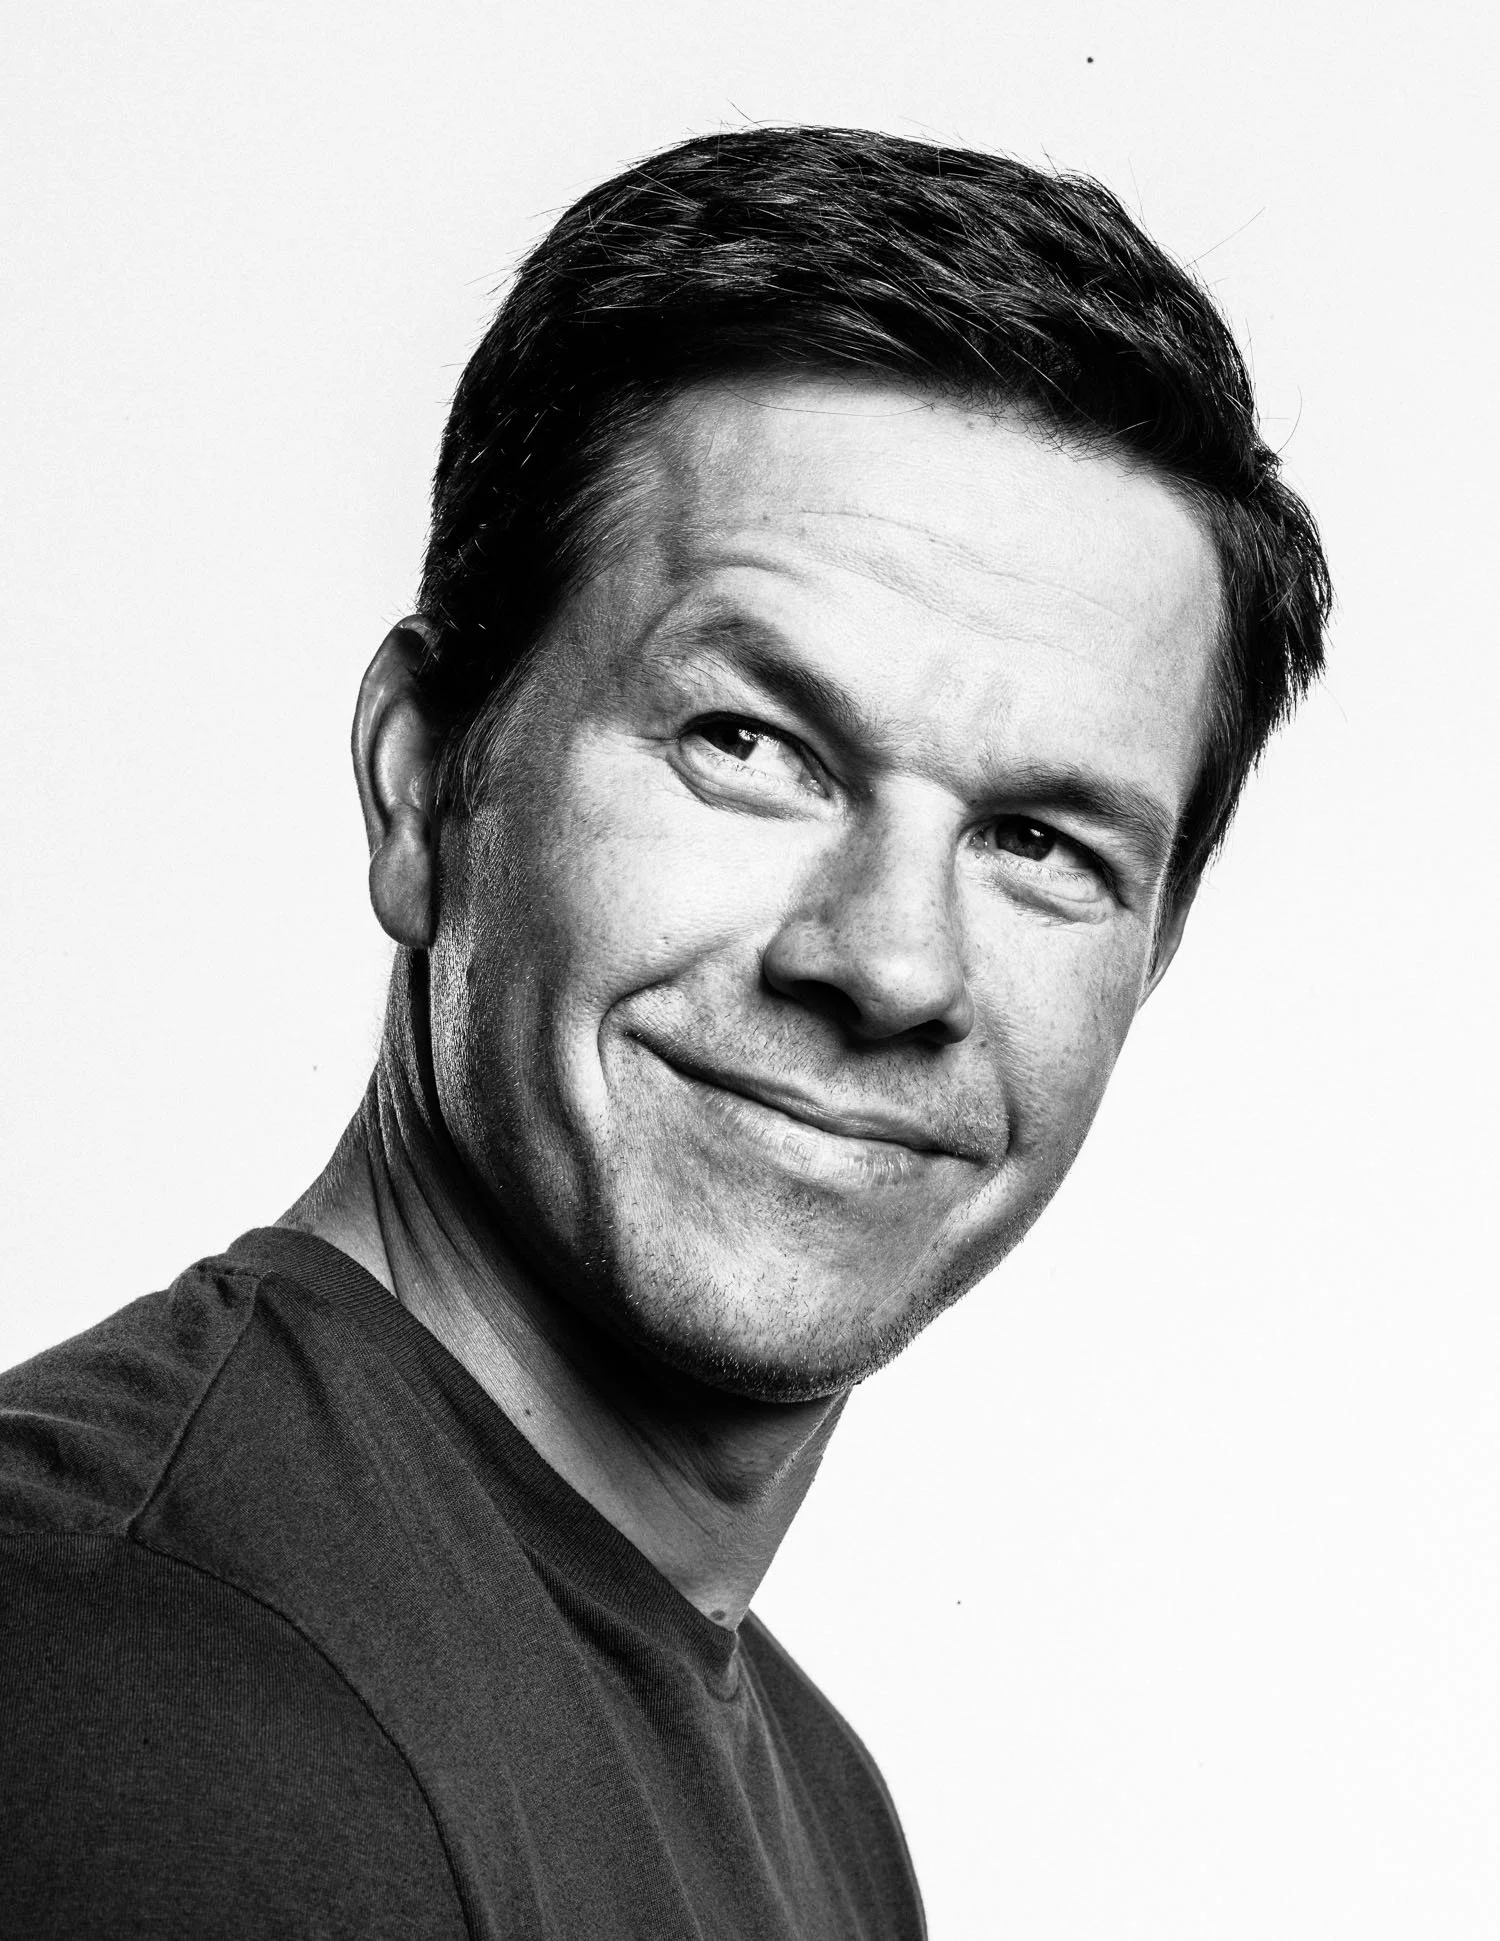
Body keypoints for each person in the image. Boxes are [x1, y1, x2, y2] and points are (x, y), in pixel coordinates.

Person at [0, 126, 1329, 1938]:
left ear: (1152, 957)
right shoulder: (118, 1692)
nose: (890, 964)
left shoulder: (824, 1812)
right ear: (422, 785)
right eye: (751, 744)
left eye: (1038, 842)